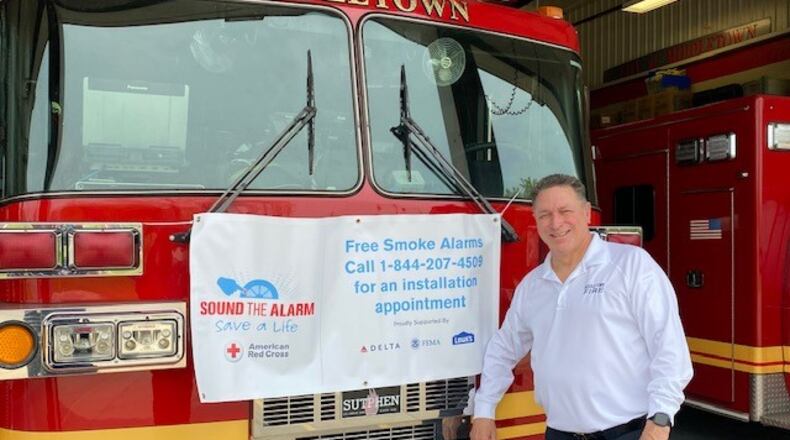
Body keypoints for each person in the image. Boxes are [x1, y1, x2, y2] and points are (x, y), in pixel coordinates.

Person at [471, 174, 693, 440]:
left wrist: (660, 419)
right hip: (559, 433)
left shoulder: (631, 265)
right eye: (545, 215)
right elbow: (504, 347)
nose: (556, 223)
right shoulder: (532, 285)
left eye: (565, 211)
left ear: (586, 212)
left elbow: (668, 347)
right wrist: (484, 410)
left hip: (630, 432)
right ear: (536, 220)